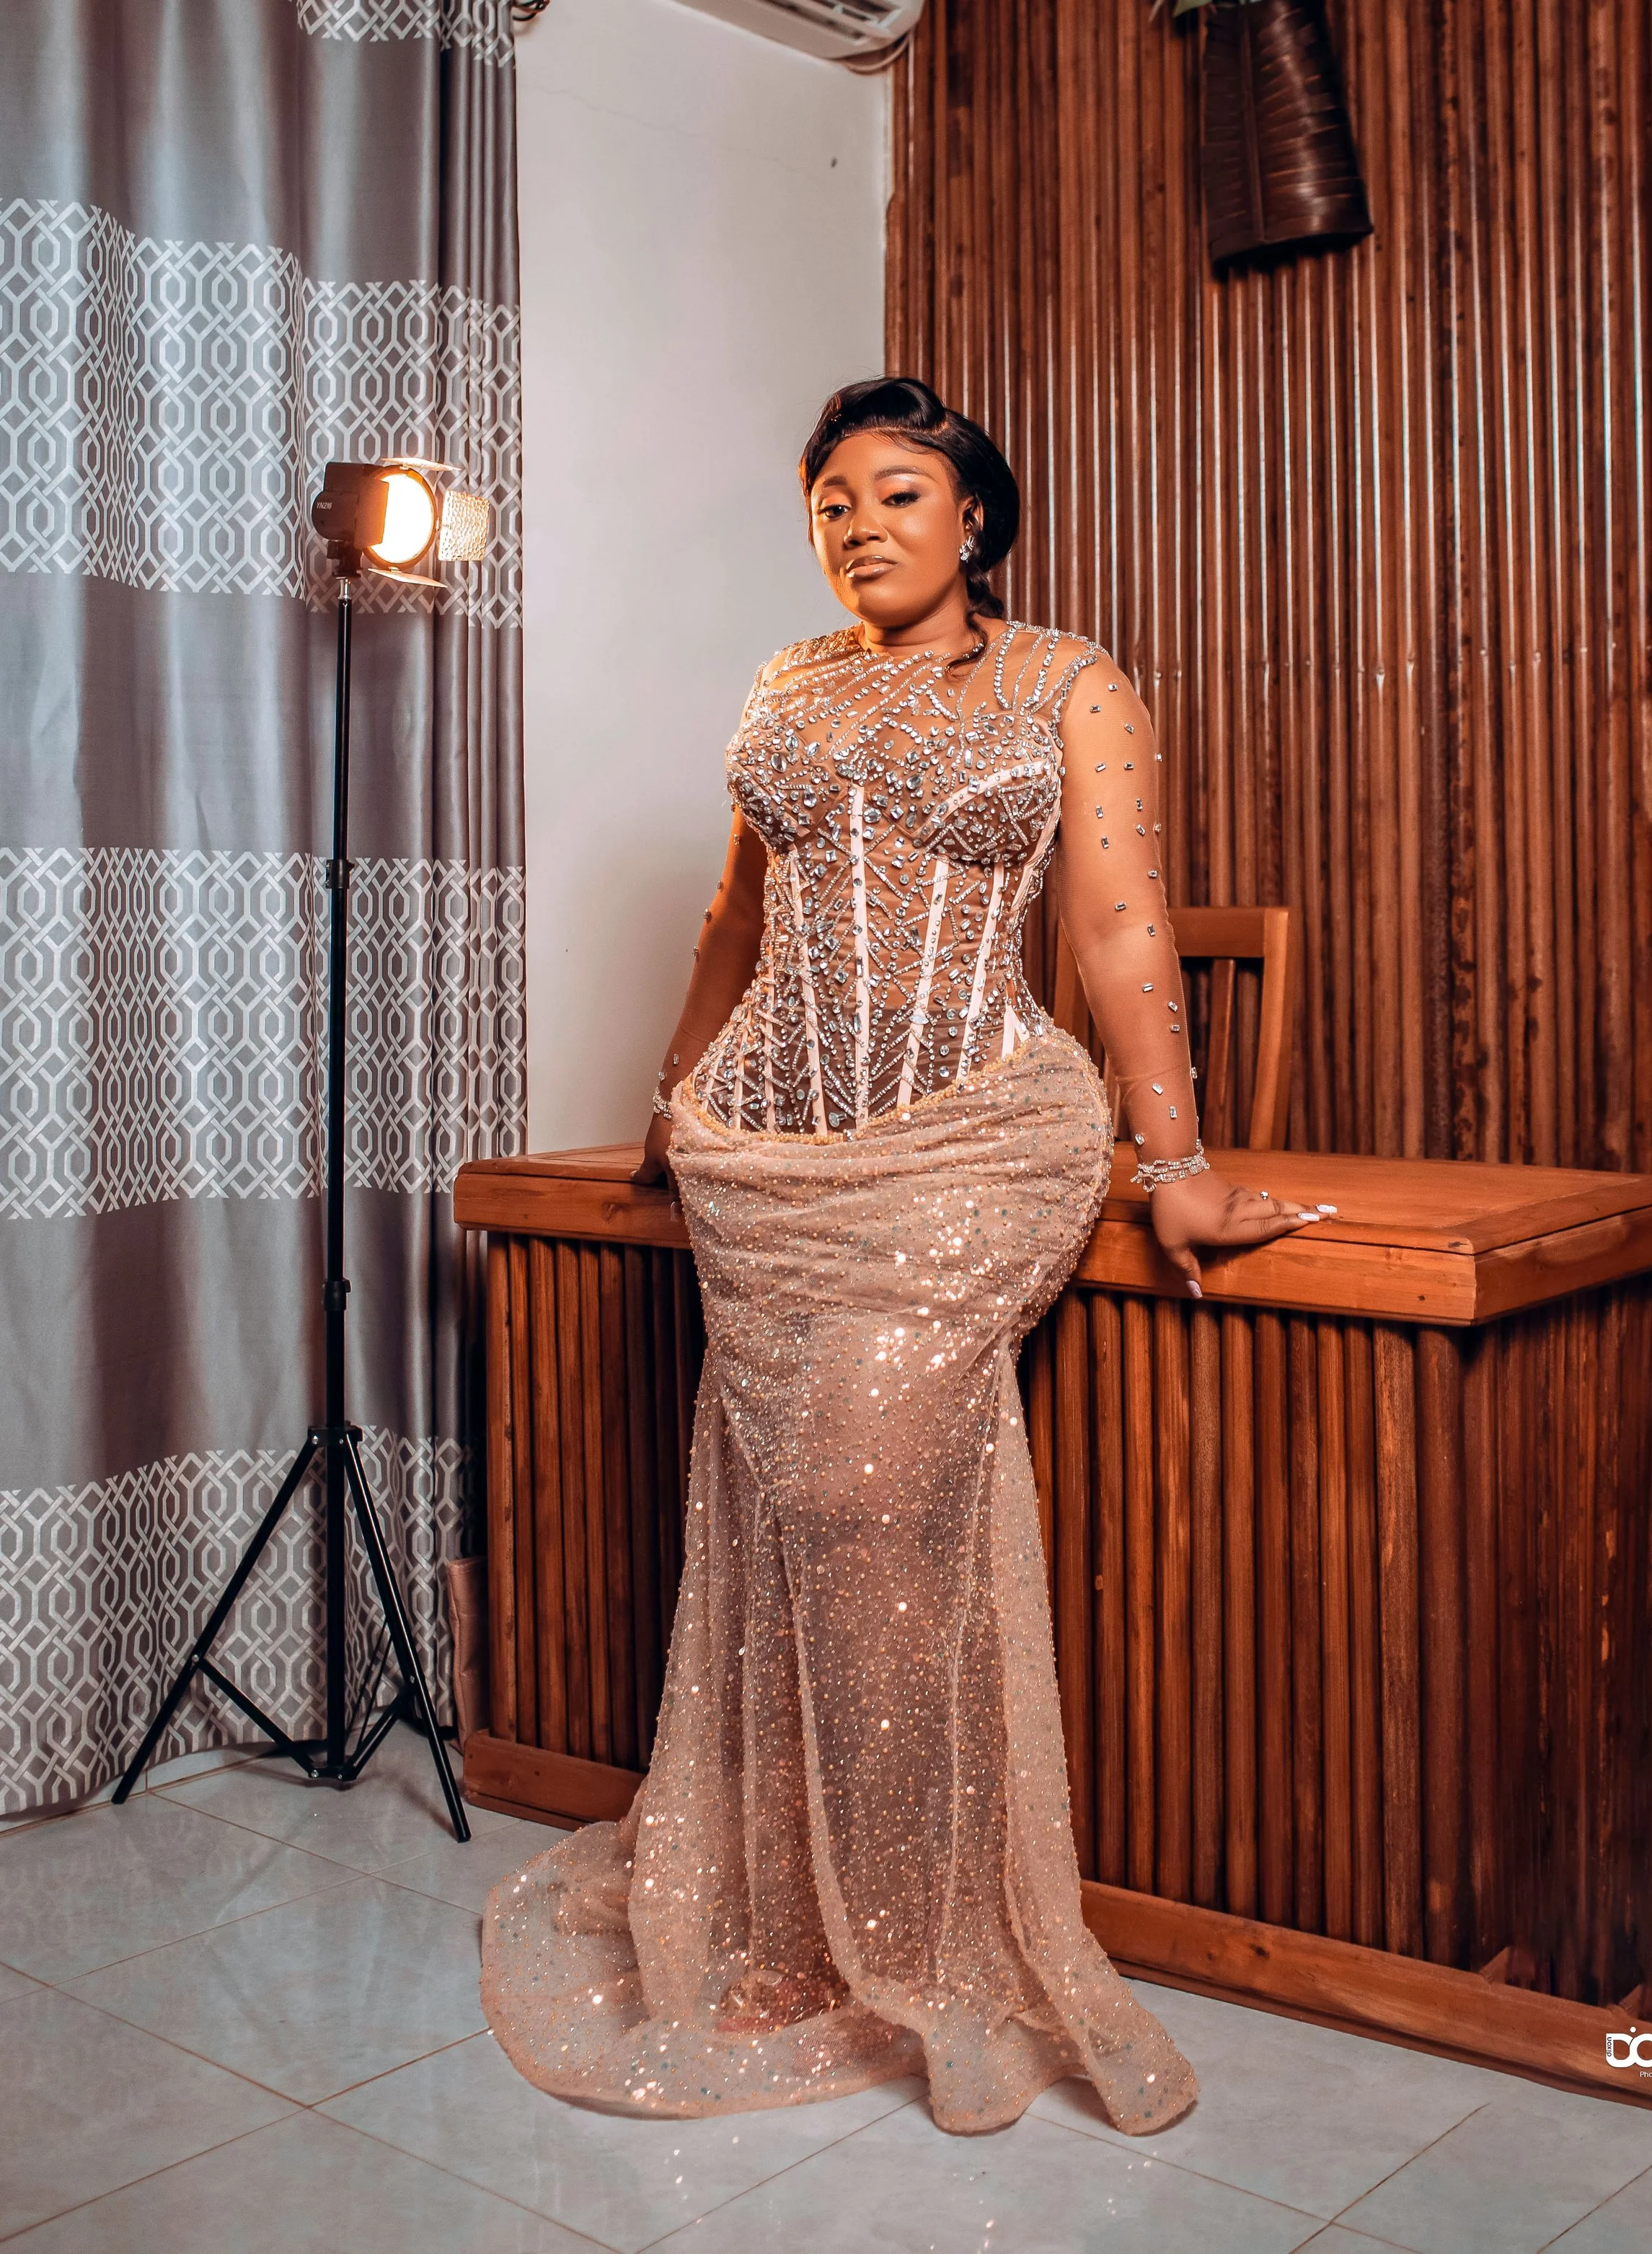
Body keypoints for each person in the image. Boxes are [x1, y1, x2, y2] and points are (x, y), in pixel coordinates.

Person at [480, 377, 1328, 2136]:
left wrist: (1172, 1165)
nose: (861, 525)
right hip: (761, 1164)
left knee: (860, 1487)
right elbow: (735, 914)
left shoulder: (1069, 682)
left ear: (974, 519)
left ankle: (925, 1939)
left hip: (973, 1145)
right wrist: (668, 1100)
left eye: (898, 493)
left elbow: (1116, 925)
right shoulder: (786, 683)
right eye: (831, 503)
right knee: (788, 1510)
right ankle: (787, 1913)